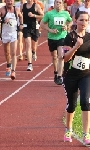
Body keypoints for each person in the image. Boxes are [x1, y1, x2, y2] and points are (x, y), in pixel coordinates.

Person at [62, 11, 90, 145]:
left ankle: (86, 134)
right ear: (75, 20)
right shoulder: (70, 37)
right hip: (71, 75)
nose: (84, 23)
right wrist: (76, 46)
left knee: (85, 102)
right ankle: (68, 129)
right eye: (81, 20)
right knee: (72, 104)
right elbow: (65, 58)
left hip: (86, 75)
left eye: (86, 20)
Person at [40, 0, 72, 85]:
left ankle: (59, 76)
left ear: (62, 4)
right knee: (54, 57)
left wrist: (67, 26)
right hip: (51, 37)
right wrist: (50, 30)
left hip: (62, 37)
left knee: (61, 56)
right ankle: (56, 72)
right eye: (56, 3)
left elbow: (70, 21)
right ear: (54, 4)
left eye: (60, 3)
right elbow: (42, 24)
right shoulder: (49, 14)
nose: (58, 4)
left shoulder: (66, 13)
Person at [0, 0, 23, 80]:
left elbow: (20, 16)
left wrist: (21, 24)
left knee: (13, 53)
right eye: (8, 1)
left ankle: (13, 71)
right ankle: (8, 65)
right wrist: (2, 20)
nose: (10, 3)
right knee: (7, 52)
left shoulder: (16, 9)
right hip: (5, 34)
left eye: (11, 1)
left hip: (14, 33)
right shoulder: (2, 10)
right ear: (5, 2)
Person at [21, 0, 44, 70]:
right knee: (28, 44)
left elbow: (42, 15)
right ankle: (29, 64)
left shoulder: (36, 6)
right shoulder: (23, 6)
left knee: (33, 47)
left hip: (34, 28)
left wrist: (34, 15)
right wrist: (21, 23)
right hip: (26, 27)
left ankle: (34, 52)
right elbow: (19, 15)